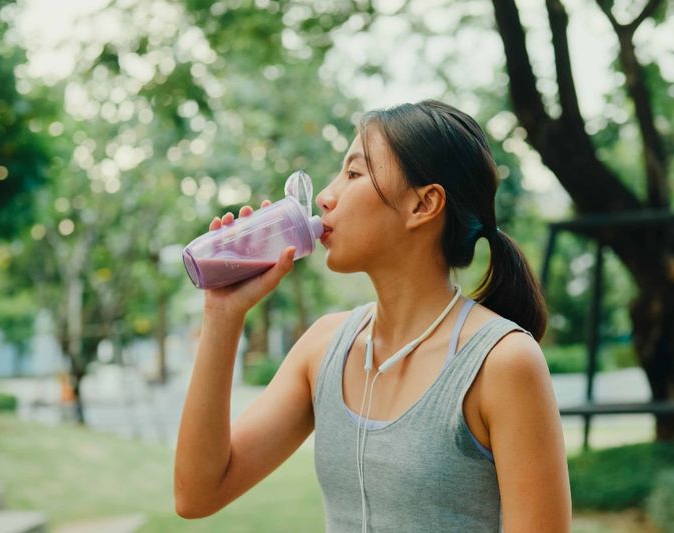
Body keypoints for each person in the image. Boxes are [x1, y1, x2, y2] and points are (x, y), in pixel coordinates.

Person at [174, 100, 571, 532]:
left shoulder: (502, 363)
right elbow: (198, 493)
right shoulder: (324, 347)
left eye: (354, 173)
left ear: (423, 205)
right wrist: (222, 312)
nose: (325, 197)